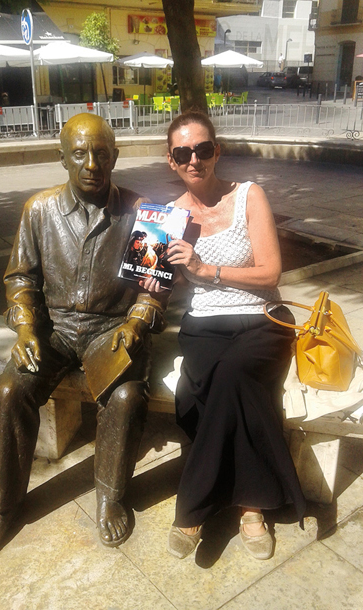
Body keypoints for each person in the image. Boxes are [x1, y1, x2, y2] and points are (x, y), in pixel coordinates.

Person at [0, 113, 166, 561]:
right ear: (62, 158)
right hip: (53, 329)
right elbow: (20, 278)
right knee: (7, 392)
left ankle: (110, 495)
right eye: (79, 154)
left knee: (125, 398)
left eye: (100, 153)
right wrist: (25, 328)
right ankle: (1, 508)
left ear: (115, 156)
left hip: (112, 328)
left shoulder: (143, 211)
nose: (91, 163)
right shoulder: (39, 209)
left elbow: (153, 288)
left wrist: (136, 324)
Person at [142, 111, 306, 561]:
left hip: (262, 320)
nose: (194, 159)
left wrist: (204, 268)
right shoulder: (170, 215)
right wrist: (157, 280)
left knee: (230, 377)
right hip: (203, 327)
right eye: (182, 153)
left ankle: (194, 507)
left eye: (202, 149)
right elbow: (168, 281)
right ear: (171, 161)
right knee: (224, 387)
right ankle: (251, 506)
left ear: (217, 150)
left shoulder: (249, 196)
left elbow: (271, 272)